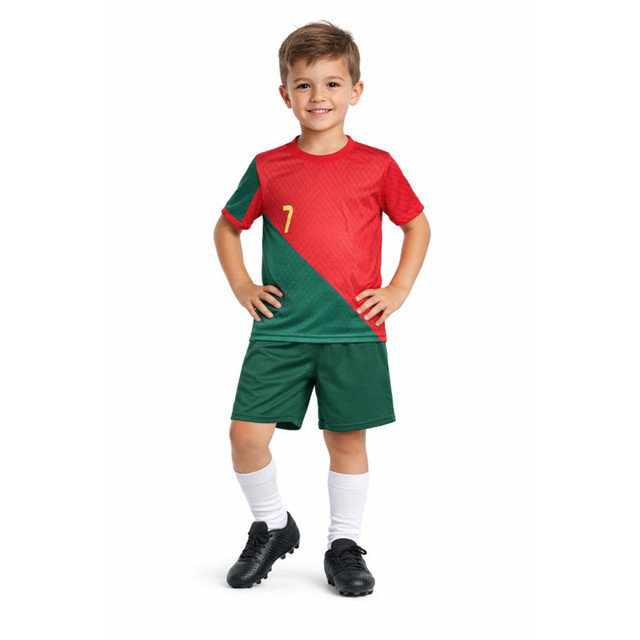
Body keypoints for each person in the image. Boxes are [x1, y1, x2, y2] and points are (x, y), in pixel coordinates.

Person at [214, 20, 431, 597]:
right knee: (245, 435)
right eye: (304, 85)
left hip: (354, 331)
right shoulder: (268, 167)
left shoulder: (377, 165)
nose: (318, 97)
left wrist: (397, 290)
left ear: (355, 91)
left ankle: (344, 545)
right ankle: (272, 524)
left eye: (332, 84)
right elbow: (227, 227)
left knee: (347, 442)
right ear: (285, 94)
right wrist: (242, 286)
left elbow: (417, 225)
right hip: (280, 331)